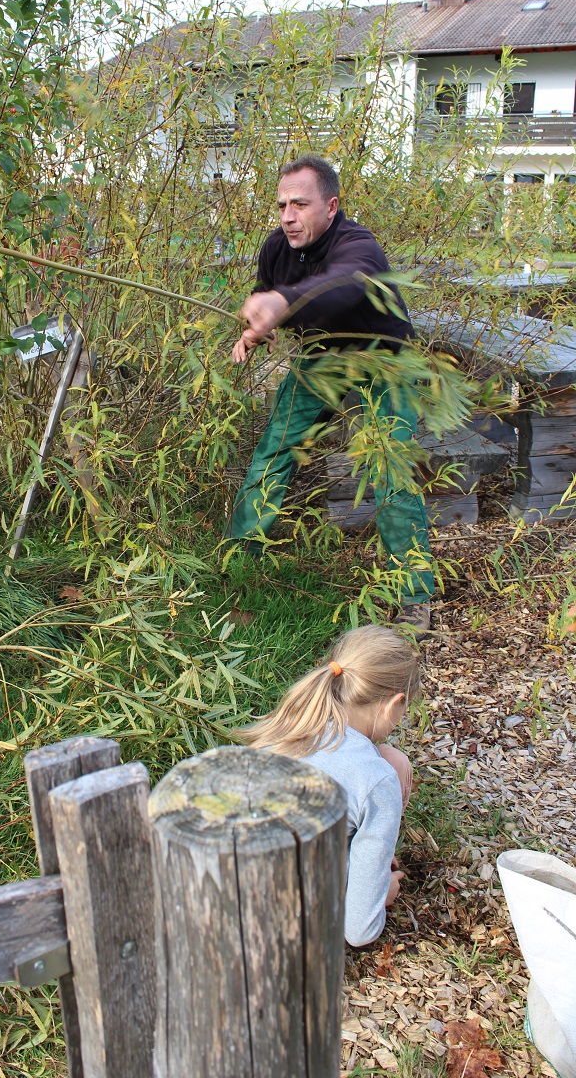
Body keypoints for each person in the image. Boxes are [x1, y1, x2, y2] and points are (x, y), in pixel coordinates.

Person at [227, 154, 433, 632]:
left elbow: (343, 285)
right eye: (281, 205)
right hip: (322, 358)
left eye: (300, 204)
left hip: (384, 361)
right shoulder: (277, 248)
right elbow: (267, 289)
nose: (287, 216)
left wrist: (283, 302)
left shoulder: (359, 246)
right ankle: (241, 558)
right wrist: (256, 329)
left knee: (389, 466)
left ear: (332, 206)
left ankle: (414, 595)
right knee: (275, 448)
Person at [239, 624, 419, 948]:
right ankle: (372, 871)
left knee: (391, 759)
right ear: (395, 704)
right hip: (290, 927)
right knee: (392, 764)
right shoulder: (375, 779)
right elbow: (358, 931)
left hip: (233, 891)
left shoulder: (293, 726)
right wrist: (382, 896)